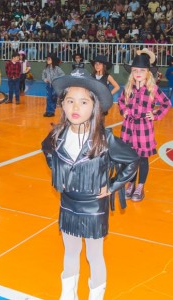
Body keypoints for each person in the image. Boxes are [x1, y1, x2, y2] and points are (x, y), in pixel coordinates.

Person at [41, 68, 139, 300]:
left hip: (94, 208)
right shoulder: (56, 136)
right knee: (71, 252)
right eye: (70, 101)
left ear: (94, 106)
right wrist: (60, 172)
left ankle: (96, 296)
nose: (75, 108)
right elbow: (46, 150)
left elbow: (132, 160)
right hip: (67, 204)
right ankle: (68, 294)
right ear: (62, 104)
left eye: (83, 102)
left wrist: (112, 185)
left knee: (95, 255)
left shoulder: (105, 138)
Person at [118, 48, 171, 201]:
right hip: (128, 128)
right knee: (131, 158)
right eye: (135, 70)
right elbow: (121, 102)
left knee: (142, 159)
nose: (138, 73)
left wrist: (155, 115)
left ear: (148, 72)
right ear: (132, 73)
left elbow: (166, 104)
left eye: (142, 70)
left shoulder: (153, 89)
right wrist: (124, 111)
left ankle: (140, 186)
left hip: (144, 129)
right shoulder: (128, 89)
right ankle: (131, 184)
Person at [42, 53, 65, 117]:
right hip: (48, 85)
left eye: (49, 59)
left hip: (55, 86)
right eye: (47, 59)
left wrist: (56, 80)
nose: (47, 60)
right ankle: (48, 111)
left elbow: (62, 75)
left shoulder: (57, 68)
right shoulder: (46, 68)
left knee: (53, 97)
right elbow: (43, 76)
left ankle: (51, 111)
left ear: (53, 60)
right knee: (49, 98)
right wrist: (45, 79)